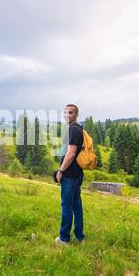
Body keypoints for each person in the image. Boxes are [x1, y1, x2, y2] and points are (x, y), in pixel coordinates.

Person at [55, 104, 85, 246]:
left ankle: (64, 239)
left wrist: (60, 171)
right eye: (65, 112)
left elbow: (71, 153)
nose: (67, 115)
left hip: (70, 175)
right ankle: (79, 236)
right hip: (77, 174)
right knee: (76, 206)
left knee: (66, 205)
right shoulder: (79, 128)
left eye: (71, 112)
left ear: (76, 114)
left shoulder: (73, 129)